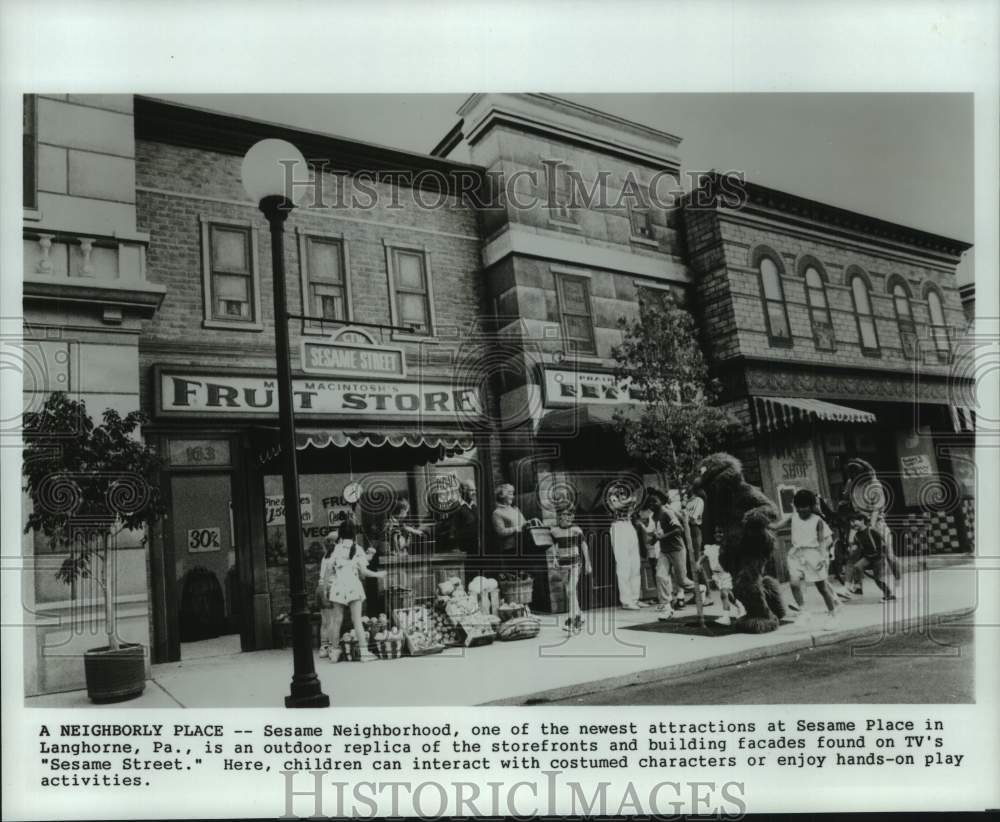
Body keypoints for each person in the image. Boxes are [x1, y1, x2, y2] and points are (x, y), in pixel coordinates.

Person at [325, 519, 386, 661]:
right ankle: (364, 653)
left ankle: (334, 652)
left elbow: (329, 569)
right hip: (353, 586)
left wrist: (327, 586)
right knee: (357, 620)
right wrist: (379, 574)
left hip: (338, 586)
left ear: (340, 533)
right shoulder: (357, 549)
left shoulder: (335, 549)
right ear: (354, 533)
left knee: (336, 621)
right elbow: (364, 571)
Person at [785, 488, 840, 627]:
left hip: (815, 555)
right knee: (795, 582)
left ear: (811, 506)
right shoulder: (794, 517)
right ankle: (803, 611)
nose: (801, 510)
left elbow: (825, 541)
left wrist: (823, 557)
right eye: (798, 507)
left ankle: (833, 613)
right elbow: (775, 525)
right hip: (797, 555)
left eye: (804, 506)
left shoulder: (818, 520)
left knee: (822, 587)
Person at [548, 506, 593, 634]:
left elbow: (584, 546)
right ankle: (579, 616)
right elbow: (554, 546)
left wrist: (588, 563)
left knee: (571, 590)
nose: (569, 517)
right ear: (559, 516)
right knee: (570, 592)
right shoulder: (554, 531)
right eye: (566, 514)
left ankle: (571, 620)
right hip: (563, 565)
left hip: (575, 564)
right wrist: (554, 558)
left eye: (571, 515)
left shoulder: (576, 529)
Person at [652, 488, 694, 611]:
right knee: (660, 576)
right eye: (649, 502)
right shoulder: (654, 516)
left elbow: (679, 529)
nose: (651, 504)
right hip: (664, 551)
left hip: (677, 549)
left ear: (661, 501)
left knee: (682, 581)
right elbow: (657, 533)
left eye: (654, 501)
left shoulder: (667, 512)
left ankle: (700, 589)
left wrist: (662, 537)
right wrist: (654, 539)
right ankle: (665, 604)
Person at [843, 509, 896, 601]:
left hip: (878, 557)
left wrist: (884, 556)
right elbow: (857, 545)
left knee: (878, 579)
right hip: (868, 557)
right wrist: (853, 547)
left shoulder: (872, 531)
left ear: (862, 520)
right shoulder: (857, 535)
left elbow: (883, 543)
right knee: (857, 567)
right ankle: (858, 588)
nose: (852, 524)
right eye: (851, 522)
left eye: (854, 521)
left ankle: (889, 594)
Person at [608, 483, 645, 611]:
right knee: (624, 565)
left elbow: (633, 505)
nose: (622, 493)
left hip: (629, 525)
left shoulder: (628, 495)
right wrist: (630, 499)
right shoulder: (611, 493)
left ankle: (635, 598)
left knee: (635, 564)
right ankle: (626, 600)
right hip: (618, 527)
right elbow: (616, 505)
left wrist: (632, 499)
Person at [703, 527, 740, 626]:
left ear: (725, 534)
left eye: (721, 532)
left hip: (726, 573)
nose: (718, 534)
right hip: (716, 576)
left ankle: (726, 618)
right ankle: (740, 607)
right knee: (729, 596)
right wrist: (698, 563)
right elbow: (704, 557)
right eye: (716, 533)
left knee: (724, 594)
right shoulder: (711, 548)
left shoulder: (727, 548)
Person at [492, 483, 528, 571]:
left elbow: (524, 523)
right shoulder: (497, 513)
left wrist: (529, 523)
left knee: (526, 573)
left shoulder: (515, 509)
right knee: (516, 573)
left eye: (513, 494)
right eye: (510, 494)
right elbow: (500, 532)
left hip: (523, 546)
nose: (513, 496)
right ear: (502, 496)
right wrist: (516, 529)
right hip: (511, 549)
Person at [448, 479, 479, 551]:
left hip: (475, 545)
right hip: (464, 547)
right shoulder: (456, 506)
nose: (474, 493)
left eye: (475, 490)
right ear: (463, 491)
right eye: (471, 490)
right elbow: (453, 528)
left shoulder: (474, 506)